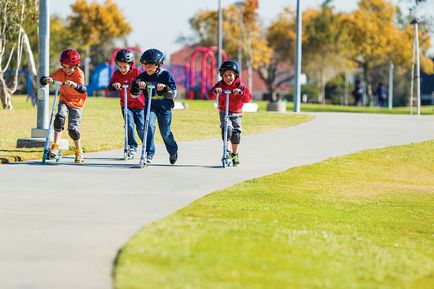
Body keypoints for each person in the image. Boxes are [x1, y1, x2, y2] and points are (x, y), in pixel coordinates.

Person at [130, 48, 178, 165]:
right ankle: (148, 153)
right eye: (145, 65)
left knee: (165, 133)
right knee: (148, 126)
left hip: (164, 108)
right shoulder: (142, 76)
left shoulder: (166, 75)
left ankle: (173, 151)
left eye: (150, 65)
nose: (147, 68)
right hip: (150, 107)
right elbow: (133, 94)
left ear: (159, 64)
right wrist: (137, 86)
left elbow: (174, 93)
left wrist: (165, 88)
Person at [40, 49, 87, 163]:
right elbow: (44, 80)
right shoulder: (60, 72)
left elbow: (83, 88)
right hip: (64, 100)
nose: (67, 70)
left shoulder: (79, 74)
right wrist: (47, 79)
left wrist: (74, 85)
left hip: (77, 103)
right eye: (64, 67)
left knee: (73, 130)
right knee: (59, 118)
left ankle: (78, 151)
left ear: (75, 66)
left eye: (70, 67)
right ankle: (55, 146)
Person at [207, 60, 252, 167]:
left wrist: (240, 93)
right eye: (225, 75)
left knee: (235, 135)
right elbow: (210, 95)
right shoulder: (220, 85)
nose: (228, 78)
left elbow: (247, 98)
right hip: (224, 111)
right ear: (222, 76)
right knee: (227, 130)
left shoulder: (240, 85)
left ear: (236, 75)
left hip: (237, 113)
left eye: (230, 75)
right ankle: (226, 152)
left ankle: (235, 154)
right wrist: (215, 91)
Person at [108, 49, 145, 158]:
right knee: (129, 125)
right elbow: (110, 87)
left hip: (140, 105)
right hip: (126, 105)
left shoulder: (137, 72)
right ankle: (132, 146)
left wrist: (140, 83)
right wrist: (115, 85)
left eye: (125, 67)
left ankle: (146, 145)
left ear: (130, 64)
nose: (122, 69)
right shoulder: (116, 74)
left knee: (141, 127)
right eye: (120, 66)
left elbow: (144, 82)